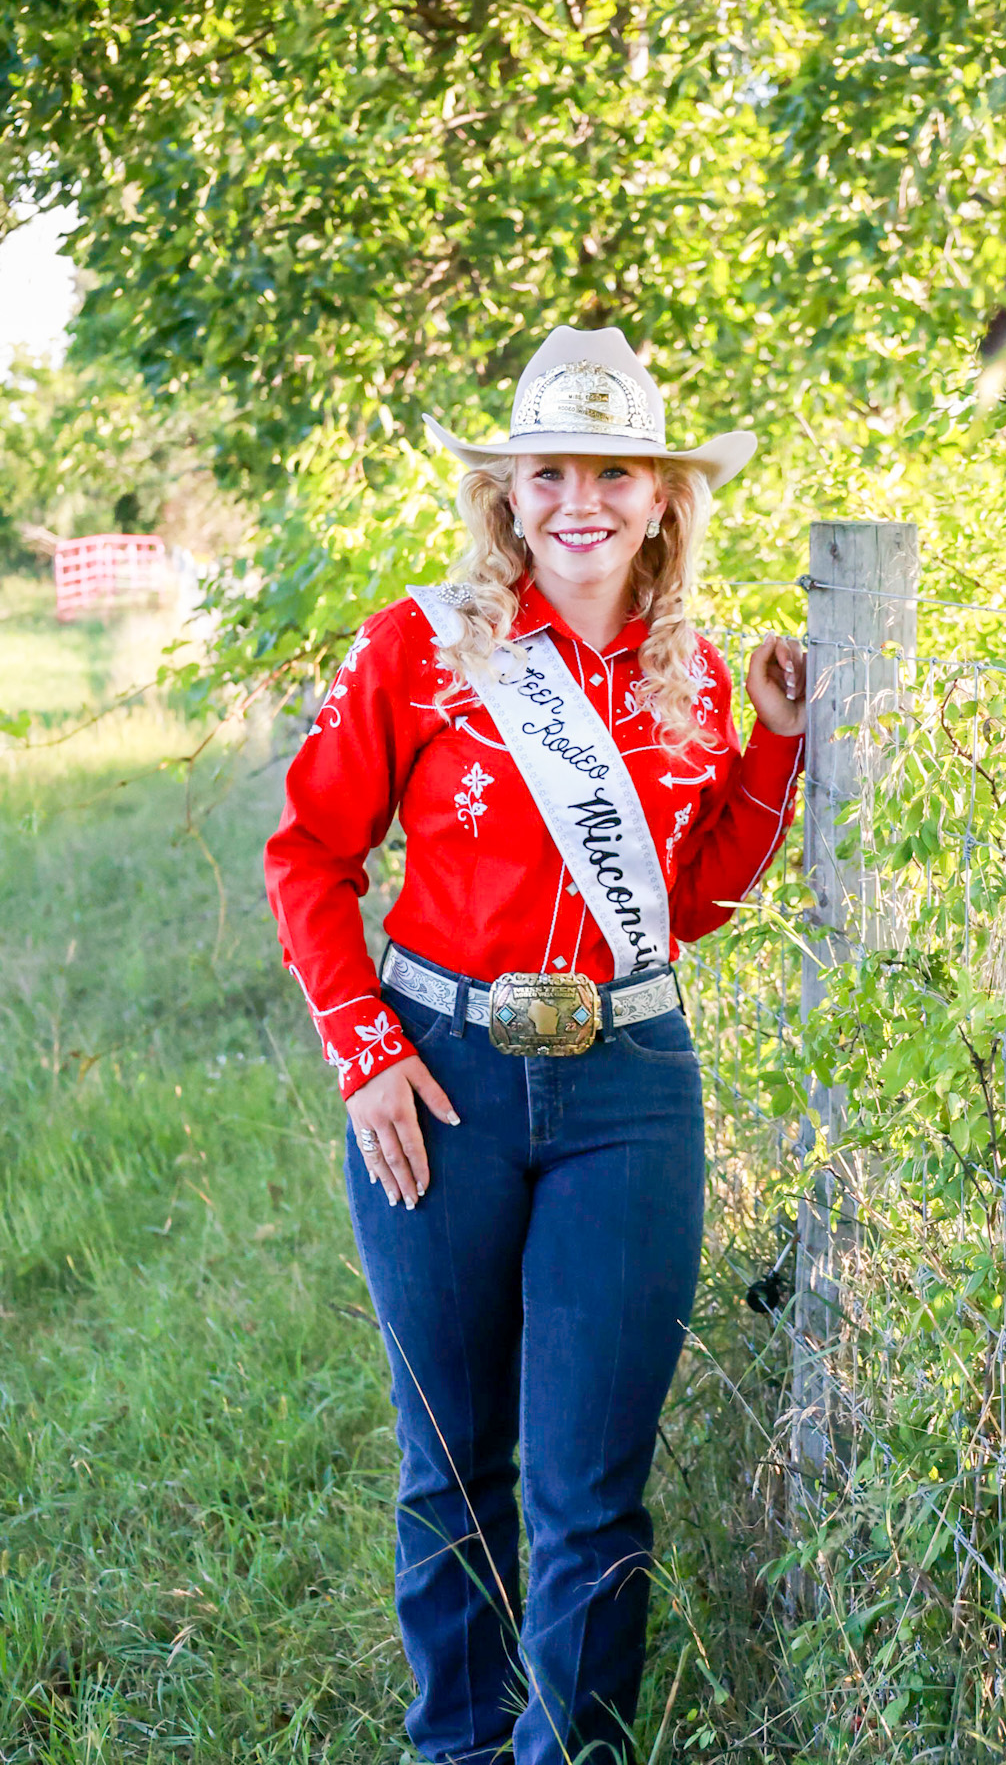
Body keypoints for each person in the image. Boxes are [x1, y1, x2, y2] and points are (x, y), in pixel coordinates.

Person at [264, 325, 806, 1765]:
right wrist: (364, 1049)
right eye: (548, 470)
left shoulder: (695, 675)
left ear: (662, 495)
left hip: (630, 1093)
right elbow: (309, 855)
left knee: (591, 1490)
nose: (582, 499)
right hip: (441, 1080)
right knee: (454, 1465)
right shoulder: (426, 650)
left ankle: (570, 1754)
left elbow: (684, 908)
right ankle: (455, 1744)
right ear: (507, 494)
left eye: (614, 470)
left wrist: (770, 752)